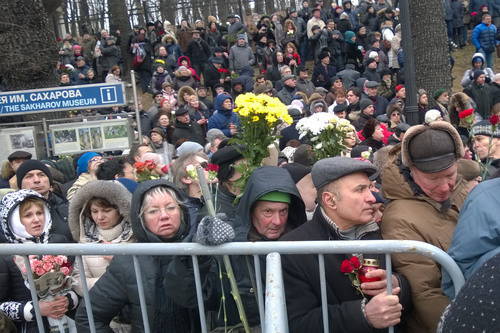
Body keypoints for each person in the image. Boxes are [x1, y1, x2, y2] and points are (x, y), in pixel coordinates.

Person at [280, 157, 411, 332]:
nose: (372, 197)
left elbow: (410, 283)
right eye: (360, 190)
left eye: (370, 187)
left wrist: (396, 284)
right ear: (330, 200)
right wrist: (363, 314)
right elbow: (298, 324)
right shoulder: (293, 249)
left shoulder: (382, 230)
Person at [75, 179, 205, 331]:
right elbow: (89, 316)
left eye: (170, 208)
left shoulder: (200, 251)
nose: (164, 216)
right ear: (141, 218)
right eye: (153, 211)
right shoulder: (129, 261)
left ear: (182, 211)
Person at [381, 121, 469, 332]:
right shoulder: (399, 218)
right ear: (412, 171)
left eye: (450, 175)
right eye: (433, 179)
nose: (445, 186)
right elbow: (425, 291)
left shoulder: (462, 187)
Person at [0, 190, 79, 332]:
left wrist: (68, 300)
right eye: (28, 215)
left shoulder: (60, 243)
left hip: (69, 322)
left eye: (40, 213)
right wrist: (35, 309)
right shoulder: (5, 255)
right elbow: (1, 306)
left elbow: (77, 283)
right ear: (14, 220)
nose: (36, 219)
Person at [69, 181, 135, 296]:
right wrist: (109, 286)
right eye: (94, 211)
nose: (100, 217)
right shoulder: (85, 239)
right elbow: (78, 281)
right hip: (99, 308)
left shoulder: (135, 237)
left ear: (120, 209)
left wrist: (119, 261)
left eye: (107, 211)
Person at [15, 160, 73, 242]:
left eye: (41, 175)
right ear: (20, 184)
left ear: (49, 181)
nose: (37, 180)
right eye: (29, 176)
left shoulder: (68, 208)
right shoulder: (10, 213)